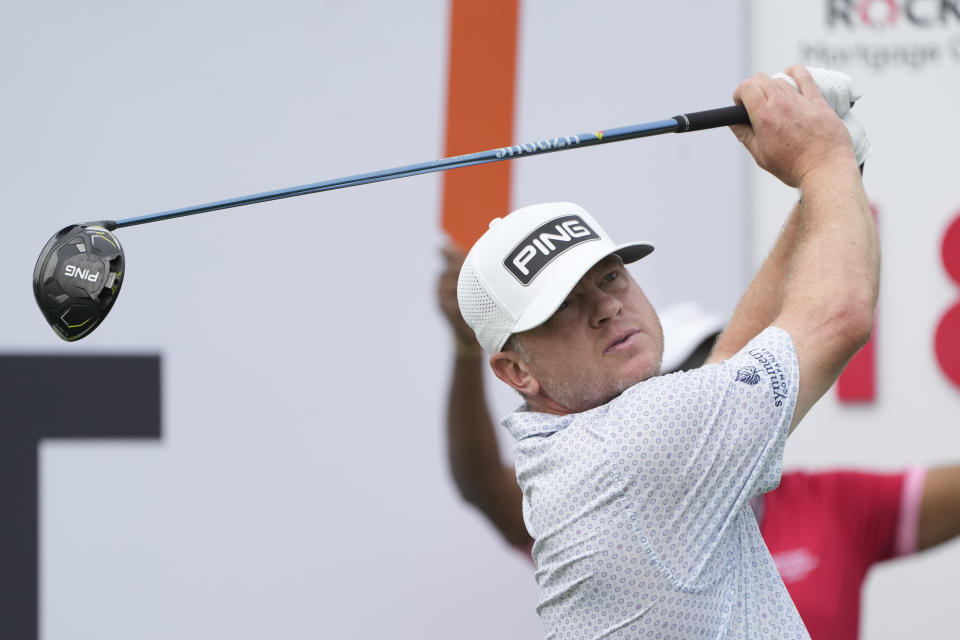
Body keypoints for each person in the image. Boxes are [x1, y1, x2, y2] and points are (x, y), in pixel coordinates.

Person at [448, 66, 880, 638]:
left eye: (610, 277)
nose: (605, 307)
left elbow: (729, 363)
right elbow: (839, 316)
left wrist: (829, 177)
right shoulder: (633, 445)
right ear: (516, 370)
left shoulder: (603, 444)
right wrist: (824, 162)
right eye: (563, 308)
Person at [438, 264, 960, 639]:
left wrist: (817, 172)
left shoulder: (832, 501)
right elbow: (483, 485)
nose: (710, 401)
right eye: (686, 382)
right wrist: (825, 161)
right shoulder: (609, 489)